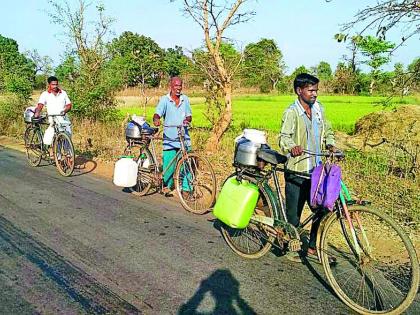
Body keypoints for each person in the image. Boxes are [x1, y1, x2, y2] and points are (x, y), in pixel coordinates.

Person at [279, 73, 335, 263]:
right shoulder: (292, 112)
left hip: (317, 171)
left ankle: (313, 247)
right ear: (299, 91)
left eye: (316, 90)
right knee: (294, 212)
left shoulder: (319, 110)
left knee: (321, 209)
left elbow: (328, 131)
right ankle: (291, 247)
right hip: (297, 170)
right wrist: (291, 147)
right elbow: (283, 137)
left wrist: (331, 145)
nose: (314, 94)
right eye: (310, 90)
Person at [153, 76, 192, 196]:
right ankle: (167, 185)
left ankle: (187, 188)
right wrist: (156, 119)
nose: (178, 88)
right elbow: (157, 114)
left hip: (183, 138)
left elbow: (189, 115)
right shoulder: (165, 100)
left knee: (187, 163)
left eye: (180, 86)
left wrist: (187, 120)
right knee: (169, 166)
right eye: (176, 86)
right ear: (171, 86)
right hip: (169, 139)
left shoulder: (185, 99)